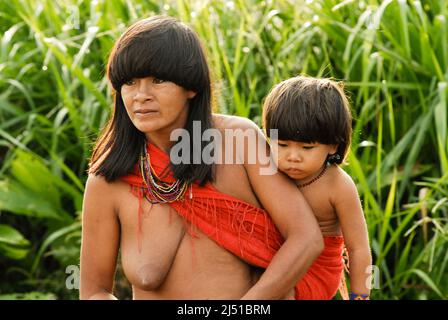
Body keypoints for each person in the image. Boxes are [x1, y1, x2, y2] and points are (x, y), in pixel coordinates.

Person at [80, 15, 324, 300]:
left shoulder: (239, 141)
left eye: (158, 80)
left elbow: (306, 239)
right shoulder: (109, 179)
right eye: (130, 82)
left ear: (191, 86)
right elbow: (94, 292)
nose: (141, 96)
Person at [262, 75, 372, 300]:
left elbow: (359, 249)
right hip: (271, 256)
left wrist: (360, 296)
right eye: (281, 145)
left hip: (316, 268)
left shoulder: (338, 186)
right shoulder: (266, 170)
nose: (292, 156)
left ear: (333, 145)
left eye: (306, 147)